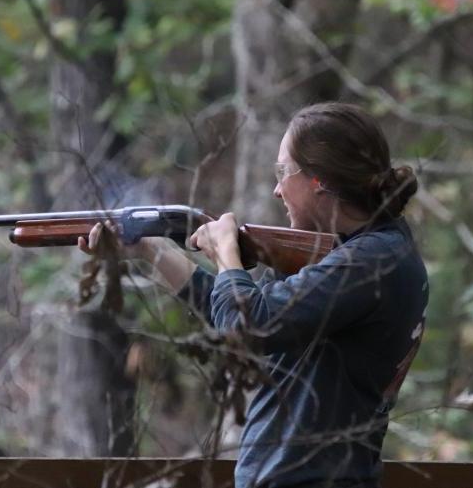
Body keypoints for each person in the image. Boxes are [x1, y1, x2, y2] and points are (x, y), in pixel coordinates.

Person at [79, 102, 428, 488]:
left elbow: (246, 326)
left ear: (318, 181)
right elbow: (236, 313)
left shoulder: (371, 261)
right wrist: (150, 251)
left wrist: (227, 252)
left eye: (283, 172)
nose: (277, 189)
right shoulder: (367, 253)